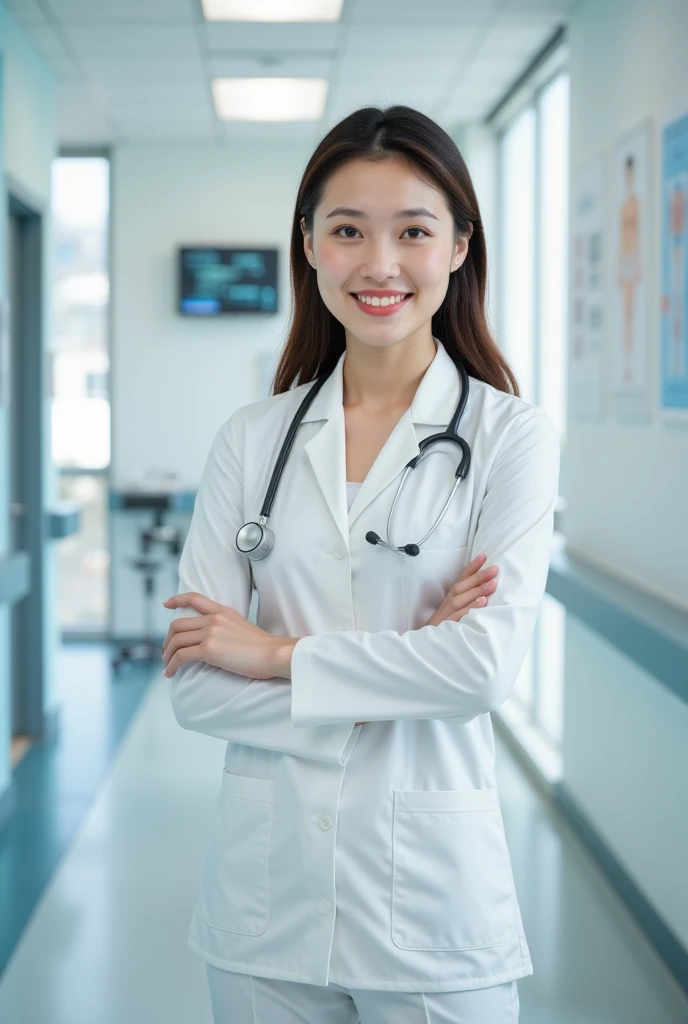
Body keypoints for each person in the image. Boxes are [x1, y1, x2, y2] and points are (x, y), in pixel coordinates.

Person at [162, 104, 560, 1024]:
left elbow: (481, 670)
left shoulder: (509, 439)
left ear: (460, 246)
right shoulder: (251, 439)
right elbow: (192, 687)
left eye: (413, 231)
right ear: (308, 245)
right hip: (266, 911)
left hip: (431, 906)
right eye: (348, 231)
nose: (379, 264)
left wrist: (270, 655)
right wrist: (409, 662)